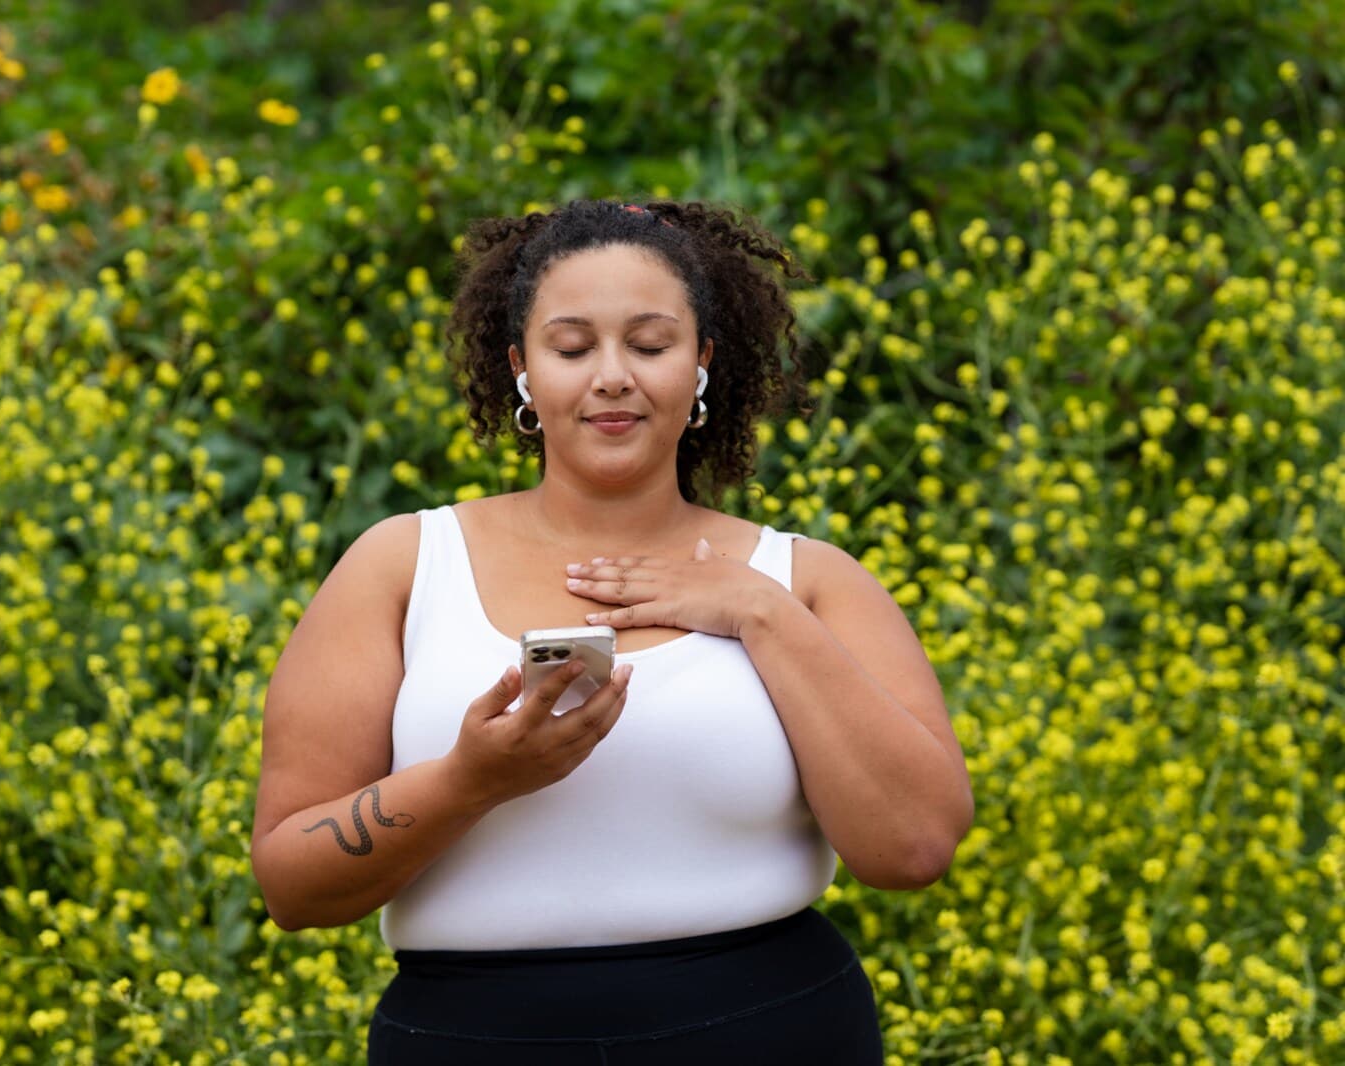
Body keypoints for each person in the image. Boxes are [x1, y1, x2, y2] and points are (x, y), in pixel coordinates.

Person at [250, 198, 975, 1064]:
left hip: (770, 1031)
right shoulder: (403, 564)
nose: (612, 376)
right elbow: (291, 886)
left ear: (702, 360)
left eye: (650, 343)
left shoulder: (804, 581)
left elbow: (915, 847)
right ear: (521, 368)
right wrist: (471, 781)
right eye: (570, 347)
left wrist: (756, 612)